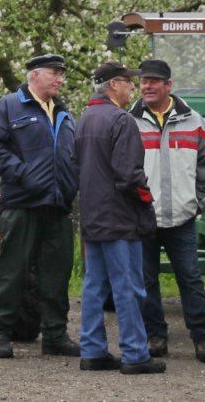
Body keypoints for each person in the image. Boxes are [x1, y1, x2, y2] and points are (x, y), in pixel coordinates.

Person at [0, 54, 80, 359]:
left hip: (58, 205)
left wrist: (71, 184)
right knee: (12, 271)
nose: (60, 79)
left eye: (62, 74)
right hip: (23, 203)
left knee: (57, 273)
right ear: (34, 75)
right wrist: (23, 174)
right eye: (54, 73)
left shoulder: (63, 112)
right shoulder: (10, 106)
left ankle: (55, 335)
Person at [74, 62, 163, 375]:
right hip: (120, 218)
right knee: (129, 287)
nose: (132, 88)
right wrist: (146, 200)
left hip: (92, 217)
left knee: (94, 286)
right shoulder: (121, 120)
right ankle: (135, 353)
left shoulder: (84, 119)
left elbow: (75, 166)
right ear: (113, 84)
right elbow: (129, 174)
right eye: (127, 82)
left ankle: (92, 350)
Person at [130, 59, 205, 364]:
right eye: (143, 81)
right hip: (144, 218)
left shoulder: (194, 121)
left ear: (169, 85)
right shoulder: (130, 122)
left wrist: (196, 204)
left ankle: (203, 338)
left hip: (182, 218)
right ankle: (156, 336)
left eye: (154, 81)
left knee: (191, 278)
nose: (147, 86)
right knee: (146, 281)